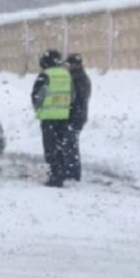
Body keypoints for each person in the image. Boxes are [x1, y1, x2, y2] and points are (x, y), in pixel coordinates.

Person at [31, 49, 75, 188]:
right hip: (63, 116)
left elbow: (38, 95)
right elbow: (73, 95)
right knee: (60, 146)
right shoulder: (66, 75)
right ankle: (61, 173)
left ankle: (55, 176)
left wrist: (39, 108)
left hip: (48, 117)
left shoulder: (45, 75)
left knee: (50, 148)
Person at [64, 52, 92, 182]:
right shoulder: (83, 77)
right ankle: (72, 171)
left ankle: (72, 172)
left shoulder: (75, 78)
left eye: (68, 64)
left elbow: (73, 98)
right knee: (72, 144)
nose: (67, 67)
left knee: (70, 145)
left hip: (74, 116)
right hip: (80, 115)